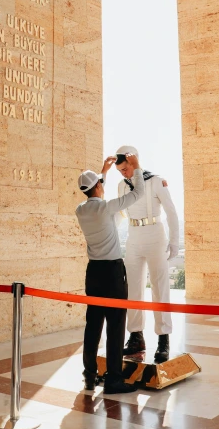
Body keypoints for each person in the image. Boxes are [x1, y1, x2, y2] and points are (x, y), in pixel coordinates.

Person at [75, 153, 145, 394]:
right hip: (113, 272)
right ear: (97, 186)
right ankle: (114, 379)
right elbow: (137, 194)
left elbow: (95, 192)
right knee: (116, 326)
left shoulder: (80, 210)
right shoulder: (106, 207)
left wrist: (102, 171)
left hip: (93, 272)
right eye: (100, 182)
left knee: (92, 325)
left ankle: (89, 376)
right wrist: (135, 168)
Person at [115, 145, 179, 364]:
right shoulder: (121, 187)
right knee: (132, 288)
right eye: (120, 170)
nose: (123, 173)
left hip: (155, 235)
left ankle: (163, 339)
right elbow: (119, 214)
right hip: (133, 237)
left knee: (160, 288)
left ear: (133, 163)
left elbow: (171, 211)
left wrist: (174, 242)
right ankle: (135, 337)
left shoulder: (155, 180)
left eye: (125, 168)